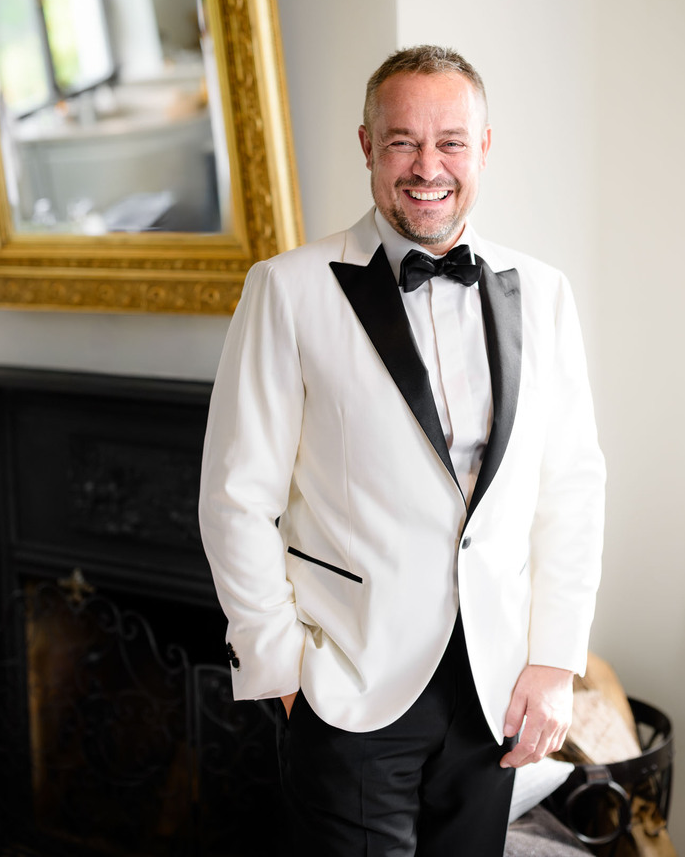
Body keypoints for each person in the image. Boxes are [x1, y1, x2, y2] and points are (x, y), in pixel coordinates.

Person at [199, 45, 605, 856]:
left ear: (484, 148)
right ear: (366, 146)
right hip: (349, 685)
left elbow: (571, 487)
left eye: (451, 141)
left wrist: (554, 661)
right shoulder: (288, 289)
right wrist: (283, 672)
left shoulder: (545, 292)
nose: (428, 167)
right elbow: (236, 495)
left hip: (495, 690)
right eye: (402, 142)